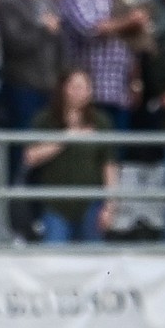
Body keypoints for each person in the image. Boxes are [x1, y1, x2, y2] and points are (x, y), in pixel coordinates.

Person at [60, 0, 146, 129]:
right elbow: (88, 28)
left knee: (116, 155)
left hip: (120, 87)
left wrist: (136, 82)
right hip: (91, 90)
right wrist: (127, 22)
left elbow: (132, 41)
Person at [22, 69, 116, 243]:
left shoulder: (101, 121)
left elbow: (109, 165)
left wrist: (109, 206)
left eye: (83, 87)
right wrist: (67, 138)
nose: (79, 92)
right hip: (55, 204)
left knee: (94, 261)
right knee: (54, 260)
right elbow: (30, 156)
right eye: (74, 86)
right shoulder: (46, 119)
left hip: (91, 204)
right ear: (64, 89)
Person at [0, 0, 65, 130]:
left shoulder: (50, 0)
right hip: (22, 87)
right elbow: (14, 44)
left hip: (50, 86)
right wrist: (43, 30)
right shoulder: (7, 2)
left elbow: (60, 41)